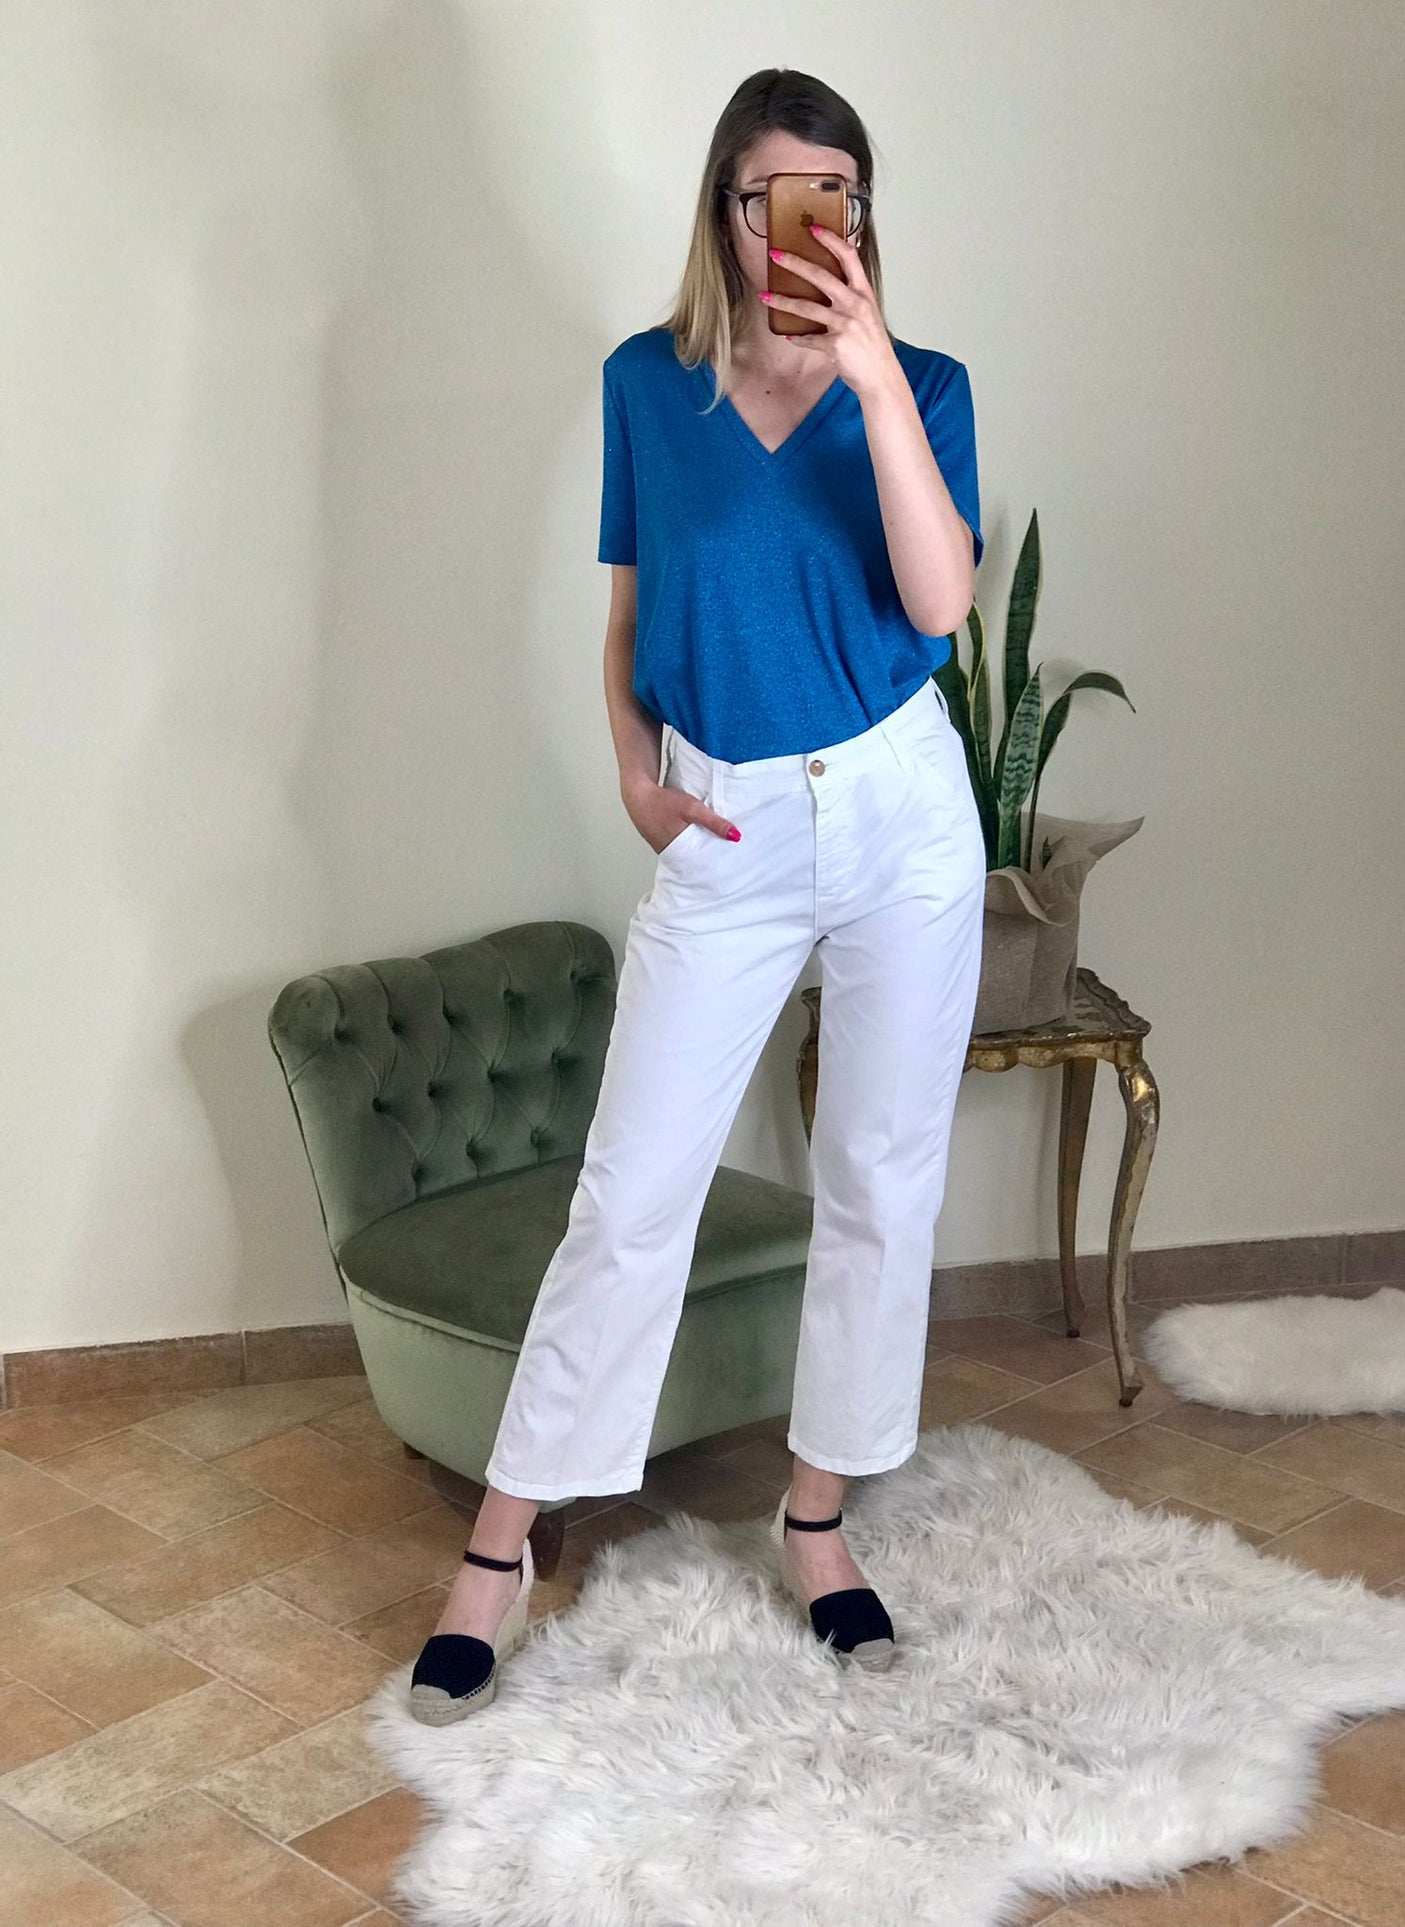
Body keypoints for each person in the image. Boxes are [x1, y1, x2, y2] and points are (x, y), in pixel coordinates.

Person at [408, 67, 986, 1726]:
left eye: (834, 194)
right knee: (632, 1189)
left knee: (878, 1178)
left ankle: (816, 1523)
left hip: (898, 809)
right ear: (724, 212)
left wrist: (869, 375)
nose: (802, 221)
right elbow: (628, 609)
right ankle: (499, 1550)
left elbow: (939, 605)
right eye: (771, 195)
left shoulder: (923, 384)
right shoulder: (644, 385)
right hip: (727, 825)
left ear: (859, 214)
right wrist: (630, 770)